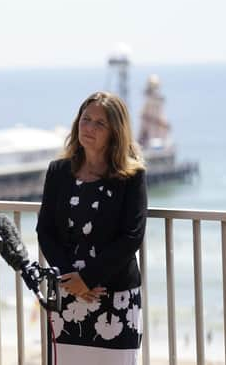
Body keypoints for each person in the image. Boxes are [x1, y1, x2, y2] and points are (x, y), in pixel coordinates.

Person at [36, 91, 147, 365]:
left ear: (115, 132)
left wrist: (88, 279)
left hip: (115, 298)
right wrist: (69, 278)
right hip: (67, 297)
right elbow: (45, 230)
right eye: (86, 119)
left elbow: (132, 236)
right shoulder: (58, 171)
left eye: (100, 123)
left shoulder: (131, 176)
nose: (89, 128)